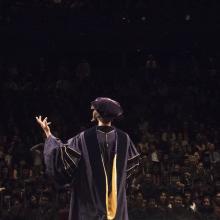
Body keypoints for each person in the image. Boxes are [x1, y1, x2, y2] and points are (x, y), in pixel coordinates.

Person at [36, 97, 140, 220]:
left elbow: (60, 160)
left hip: (89, 208)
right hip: (116, 207)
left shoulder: (83, 138)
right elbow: (130, 172)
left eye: (94, 109)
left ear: (98, 114)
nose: (92, 111)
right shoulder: (125, 139)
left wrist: (49, 135)